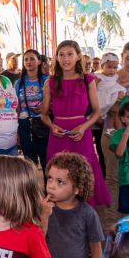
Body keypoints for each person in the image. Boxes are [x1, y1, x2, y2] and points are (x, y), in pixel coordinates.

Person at [40, 40, 110, 207]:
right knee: (57, 172)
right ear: (56, 58)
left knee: (82, 174)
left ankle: (84, 213)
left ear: (78, 56)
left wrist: (84, 127)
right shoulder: (50, 82)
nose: (65, 59)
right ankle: (57, 213)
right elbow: (43, 115)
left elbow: (96, 112)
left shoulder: (88, 80)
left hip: (81, 133)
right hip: (57, 135)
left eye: (70, 54)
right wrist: (52, 126)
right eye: (61, 55)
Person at [95, 53, 126, 224]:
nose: (112, 70)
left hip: (119, 124)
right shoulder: (98, 77)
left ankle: (120, 213)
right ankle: (110, 219)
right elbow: (92, 90)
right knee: (112, 175)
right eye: (109, 67)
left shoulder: (116, 79)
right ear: (102, 66)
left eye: (114, 67)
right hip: (106, 119)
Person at [15, 49, 49, 175]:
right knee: (29, 164)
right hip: (25, 124)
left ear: (39, 61)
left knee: (47, 162)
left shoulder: (47, 80)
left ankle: (48, 187)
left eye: (32, 59)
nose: (28, 62)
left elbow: (55, 102)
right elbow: (17, 107)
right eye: (26, 59)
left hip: (43, 123)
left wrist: (46, 108)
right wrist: (16, 129)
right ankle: (31, 187)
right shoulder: (19, 82)